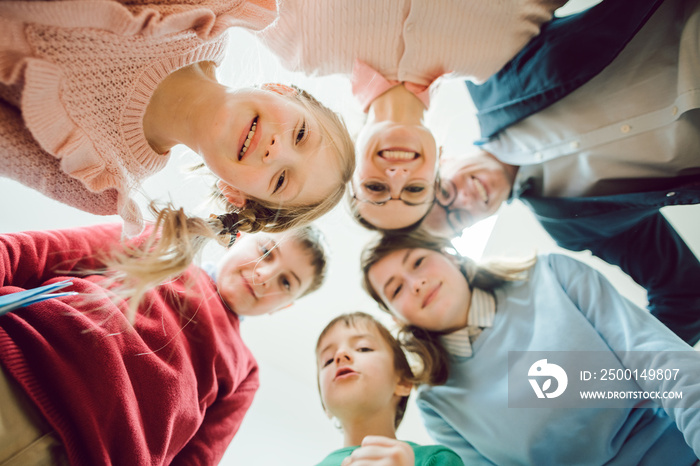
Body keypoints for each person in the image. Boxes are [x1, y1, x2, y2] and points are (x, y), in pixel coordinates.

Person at [0, 0, 355, 301]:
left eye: (280, 180)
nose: (276, 152)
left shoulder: (101, 181)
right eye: (302, 133)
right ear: (279, 89)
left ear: (234, 193)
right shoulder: (202, 11)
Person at [423, 0, 700, 345]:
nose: (465, 200)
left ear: (442, 160)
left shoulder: (486, 73)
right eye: (457, 220)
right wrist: (627, 388)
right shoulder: (569, 226)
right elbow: (685, 294)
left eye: (445, 192)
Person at [0, 222, 328, 465]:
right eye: (266, 251)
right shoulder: (165, 246)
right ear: (239, 238)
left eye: (286, 282)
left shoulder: (246, 372)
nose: (265, 275)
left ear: (283, 307)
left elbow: (199, 459)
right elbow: (33, 251)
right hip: (16, 367)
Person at [361, 230, 700, 465]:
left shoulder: (552, 274)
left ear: (451, 256)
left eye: (418, 262)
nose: (416, 283)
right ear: (396, 316)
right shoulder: (438, 404)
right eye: (395, 290)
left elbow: (662, 362)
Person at [256, 0, 567, 231]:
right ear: (439, 165)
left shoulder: (300, 47)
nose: (396, 177)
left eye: (374, 188)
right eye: (415, 190)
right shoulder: (498, 52)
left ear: (349, 164)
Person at [315, 311, 464, 466]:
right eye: (328, 360)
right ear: (325, 406)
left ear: (403, 383)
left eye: (363, 348)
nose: (340, 354)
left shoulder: (436, 459)